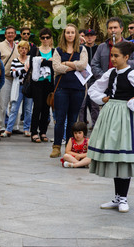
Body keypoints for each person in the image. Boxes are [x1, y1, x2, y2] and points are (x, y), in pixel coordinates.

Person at [87, 41, 134, 213]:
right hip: (111, 114)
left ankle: (123, 197)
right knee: (116, 156)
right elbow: (94, 88)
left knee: (123, 155)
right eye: (112, 55)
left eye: (116, 56)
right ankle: (117, 197)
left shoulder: (132, 74)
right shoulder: (110, 73)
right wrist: (103, 99)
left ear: (126, 57)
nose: (113, 59)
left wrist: (132, 102)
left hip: (125, 117)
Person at [51, 23, 88, 158]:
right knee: (60, 119)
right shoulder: (58, 50)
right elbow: (56, 67)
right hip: (62, 88)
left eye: (72, 32)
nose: (70, 35)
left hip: (77, 89)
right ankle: (56, 146)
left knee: (73, 120)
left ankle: (69, 147)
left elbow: (83, 65)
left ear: (76, 34)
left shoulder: (82, 49)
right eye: (68, 32)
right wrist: (74, 66)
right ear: (64, 34)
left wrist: (66, 63)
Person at [28, 28, 54, 143]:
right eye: (43, 37)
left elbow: (55, 65)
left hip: (49, 82)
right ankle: (33, 132)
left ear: (50, 38)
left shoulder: (54, 51)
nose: (45, 39)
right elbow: (33, 64)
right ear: (40, 39)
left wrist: (42, 61)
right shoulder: (35, 50)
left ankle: (43, 132)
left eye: (47, 37)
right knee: (37, 106)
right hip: (37, 82)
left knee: (46, 107)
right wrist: (48, 61)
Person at [92, 17, 134, 81]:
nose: (113, 30)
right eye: (110, 28)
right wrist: (105, 78)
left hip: (126, 83)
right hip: (106, 83)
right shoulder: (101, 47)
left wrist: (123, 61)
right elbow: (94, 64)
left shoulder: (130, 45)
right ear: (107, 30)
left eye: (115, 27)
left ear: (121, 29)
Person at [3, 40, 33, 137]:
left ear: (28, 50)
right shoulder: (15, 60)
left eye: (25, 48)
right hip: (18, 86)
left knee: (28, 109)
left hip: (29, 87)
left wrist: (19, 71)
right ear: (18, 49)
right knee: (14, 108)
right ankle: (9, 129)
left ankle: (26, 129)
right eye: (21, 48)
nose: (23, 50)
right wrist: (24, 70)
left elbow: (33, 73)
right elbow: (13, 74)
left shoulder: (30, 60)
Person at [0, 26, 20, 134]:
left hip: (16, 79)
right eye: (8, 33)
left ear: (15, 35)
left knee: (15, 103)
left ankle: (14, 126)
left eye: (12, 33)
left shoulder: (18, 46)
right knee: (3, 103)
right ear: (5, 35)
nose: (10, 35)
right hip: (4, 77)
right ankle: (0, 126)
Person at [79, 29, 100, 129]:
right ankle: (81, 126)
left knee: (95, 105)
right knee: (81, 105)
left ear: (95, 37)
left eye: (92, 36)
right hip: (83, 79)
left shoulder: (99, 48)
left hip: (96, 80)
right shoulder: (81, 48)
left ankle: (96, 125)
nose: (89, 38)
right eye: (87, 36)